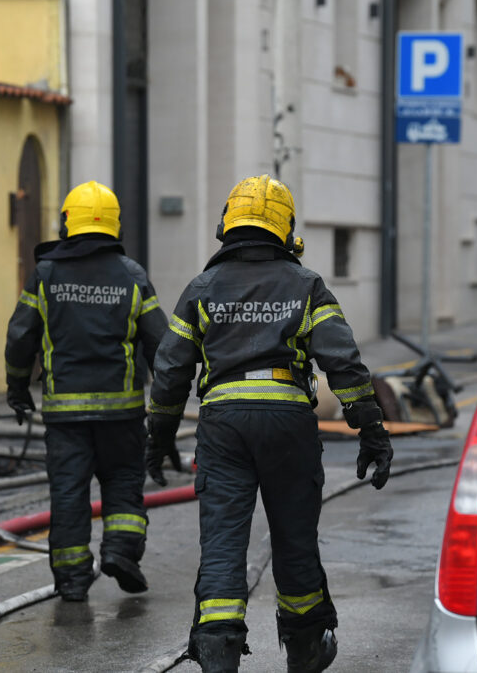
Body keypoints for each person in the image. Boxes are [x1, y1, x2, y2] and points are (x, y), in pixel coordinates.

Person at [146, 174, 393, 673]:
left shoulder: (202, 288)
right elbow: (343, 362)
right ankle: (304, 649)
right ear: (286, 229)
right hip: (287, 424)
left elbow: (171, 370)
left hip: (223, 427)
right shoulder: (306, 286)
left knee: (222, 540)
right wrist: (370, 430)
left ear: (228, 224)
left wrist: (160, 437)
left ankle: (218, 654)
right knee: (294, 537)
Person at [4, 180, 168, 602]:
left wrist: (17, 386)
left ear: (67, 224)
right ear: (116, 226)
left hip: (65, 416)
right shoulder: (132, 275)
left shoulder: (46, 275)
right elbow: (160, 343)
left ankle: (74, 578)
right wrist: (167, 403)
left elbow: (20, 336)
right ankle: (120, 552)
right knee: (123, 480)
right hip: (122, 414)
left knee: (69, 492)